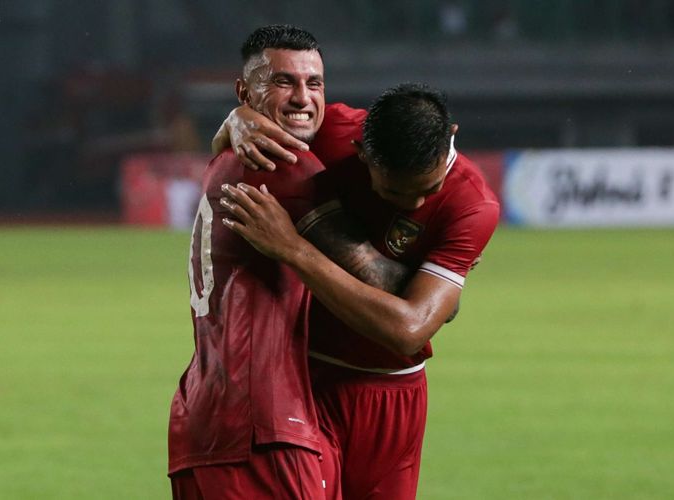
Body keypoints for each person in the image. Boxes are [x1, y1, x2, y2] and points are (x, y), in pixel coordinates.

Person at [218, 83, 500, 499]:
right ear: (361, 152)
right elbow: (238, 135)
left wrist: (294, 249)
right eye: (394, 191)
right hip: (301, 379)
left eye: (429, 188)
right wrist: (236, 120)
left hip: (392, 391)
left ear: (451, 135)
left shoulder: (473, 205)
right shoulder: (332, 130)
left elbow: (408, 330)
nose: (414, 203)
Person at [167, 25, 339, 499]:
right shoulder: (285, 165)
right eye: (284, 81)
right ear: (245, 92)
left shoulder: (227, 156)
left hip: (204, 418)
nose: (303, 97)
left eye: (315, 83)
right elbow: (384, 289)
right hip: (264, 430)